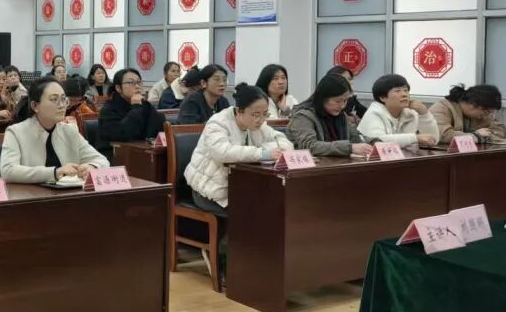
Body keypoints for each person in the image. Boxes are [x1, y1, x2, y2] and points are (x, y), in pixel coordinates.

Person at [1, 77, 132, 312]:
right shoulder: (16, 132)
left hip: (70, 211)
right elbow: (8, 170)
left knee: (106, 254)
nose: (62, 104)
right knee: (59, 262)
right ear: (35, 105)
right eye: (54, 99)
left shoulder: (68, 130)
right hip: (31, 214)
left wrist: (89, 167)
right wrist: (54, 172)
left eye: (63, 99)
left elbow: (102, 160)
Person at [185, 84, 293, 214]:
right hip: (211, 191)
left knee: (279, 205)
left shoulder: (258, 125)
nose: (261, 120)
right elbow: (222, 153)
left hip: (241, 188)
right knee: (259, 212)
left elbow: (283, 142)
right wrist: (263, 153)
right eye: (255, 114)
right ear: (239, 111)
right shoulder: (218, 122)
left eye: (265, 114)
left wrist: (266, 150)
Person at [287, 74, 375, 157]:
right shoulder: (303, 116)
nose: (342, 106)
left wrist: (375, 143)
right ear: (323, 98)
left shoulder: (341, 116)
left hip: (337, 164)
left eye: (345, 101)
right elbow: (310, 146)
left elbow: (356, 138)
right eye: (338, 101)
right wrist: (349, 148)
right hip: (313, 166)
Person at [357, 74, 439, 148]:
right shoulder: (374, 113)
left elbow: (434, 140)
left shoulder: (410, 113)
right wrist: (415, 138)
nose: (404, 94)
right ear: (383, 98)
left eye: (406, 90)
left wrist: (424, 114)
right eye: (398, 91)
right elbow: (377, 141)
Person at [98, 68, 162, 155]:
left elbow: (158, 129)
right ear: (118, 88)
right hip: (115, 153)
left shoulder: (144, 105)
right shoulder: (108, 109)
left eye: (139, 82)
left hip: (142, 151)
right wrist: (136, 107)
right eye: (131, 82)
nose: (137, 86)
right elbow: (123, 134)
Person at [429, 84, 506, 144]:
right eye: (487, 112)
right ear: (473, 104)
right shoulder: (441, 108)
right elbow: (444, 135)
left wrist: (486, 136)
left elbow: (500, 130)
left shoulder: (484, 113)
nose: (488, 115)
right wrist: (476, 136)